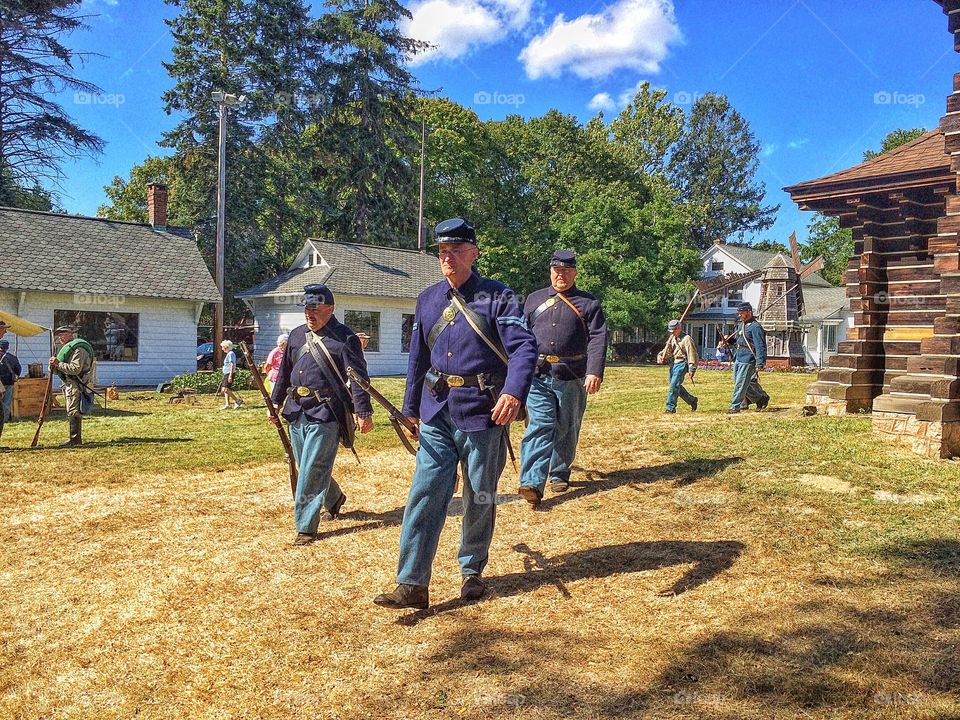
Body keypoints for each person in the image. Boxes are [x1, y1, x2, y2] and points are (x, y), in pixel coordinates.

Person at [373, 217, 538, 610]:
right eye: (442, 252)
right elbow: (417, 359)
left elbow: (524, 350)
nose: (447, 259)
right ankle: (412, 582)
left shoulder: (499, 297)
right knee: (425, 492)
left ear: (474, 254)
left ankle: (471, 570)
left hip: (484, 412)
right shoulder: (427, 299)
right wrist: (410, 409)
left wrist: (514, 392)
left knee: (479, 495)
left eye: (455, 252)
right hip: (436, 409)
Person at [270, 284, 374, 545]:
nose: (309, 313)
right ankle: (334, 497)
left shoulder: (344, 338)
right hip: (296, 410)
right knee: (305, 464)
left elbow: (359, 378)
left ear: (330, 309)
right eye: (306, 308)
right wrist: (275, 402)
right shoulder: (295, 336)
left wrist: (362, 411)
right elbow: (283, 374)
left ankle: (305, 526)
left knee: (313, 467)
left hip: (326, 411)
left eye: (315, 308)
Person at [516, 250, 607, 509]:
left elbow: (598, 339)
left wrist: (594, 371)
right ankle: (532, 481)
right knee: (540, 424)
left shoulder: (589, 303)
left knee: (567, 426)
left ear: (574, 273)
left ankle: (559, 472)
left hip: (572, 374)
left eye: (566, 271)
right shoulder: (534, 300)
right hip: (538, 374)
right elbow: (521, 338)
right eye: (557, 270)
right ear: (550, 271)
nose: (561, 275)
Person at [719, 302, 770, 414]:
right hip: (739, 356)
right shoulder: (741, 325)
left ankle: (735, 406)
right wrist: (729, 341)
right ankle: (760, 398)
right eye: (739, 313)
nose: (740, 315)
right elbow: (739, 342)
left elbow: (760, 346)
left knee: (740, 384)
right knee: (741, 382)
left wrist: (760, 363)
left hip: (748, 358)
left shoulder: (756, 327)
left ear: (749, 312)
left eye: (742, 313)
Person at [49, 325, 96, 447]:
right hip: (70, 383)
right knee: (71, 410)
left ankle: (75, 440)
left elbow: (75, 369)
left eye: (62, 335)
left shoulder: (78, 349)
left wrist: (58, 364)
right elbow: (58, 369)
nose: (60, 338)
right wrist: (53, 365)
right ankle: (74, 439)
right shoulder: (67, 349)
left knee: (74, 411)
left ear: (71, 334)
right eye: (58, 335)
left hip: (77, 383)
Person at [659, 319, 698, 414]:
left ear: (679, 329)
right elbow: (667, 351)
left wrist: (692, 368)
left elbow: (691, 354)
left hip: (682, 363)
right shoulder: (672, 338)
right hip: (674, 363)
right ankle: (692, 400)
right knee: (675, 385)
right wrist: (660, 355)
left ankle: (670, 408)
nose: (672, 333)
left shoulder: (687, 339)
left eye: (674, 331)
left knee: (673, 385)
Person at [0, 339, 20, 440]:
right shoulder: (12, 357)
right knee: (6, 403)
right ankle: (4, 419)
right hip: (9, 382)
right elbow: (18, 370)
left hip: (1, 382)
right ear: (7, 347)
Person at [220, 340, 242, 409]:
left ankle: (237, 400)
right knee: (227, 389)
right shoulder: (229, 354)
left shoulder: (231, 354)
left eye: (223, 347)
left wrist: (230, 376)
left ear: (226, 347)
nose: (222, 349)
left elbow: (232, 365)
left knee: (225, 389)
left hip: (229, 373)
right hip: (226, 373)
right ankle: (227, 404)